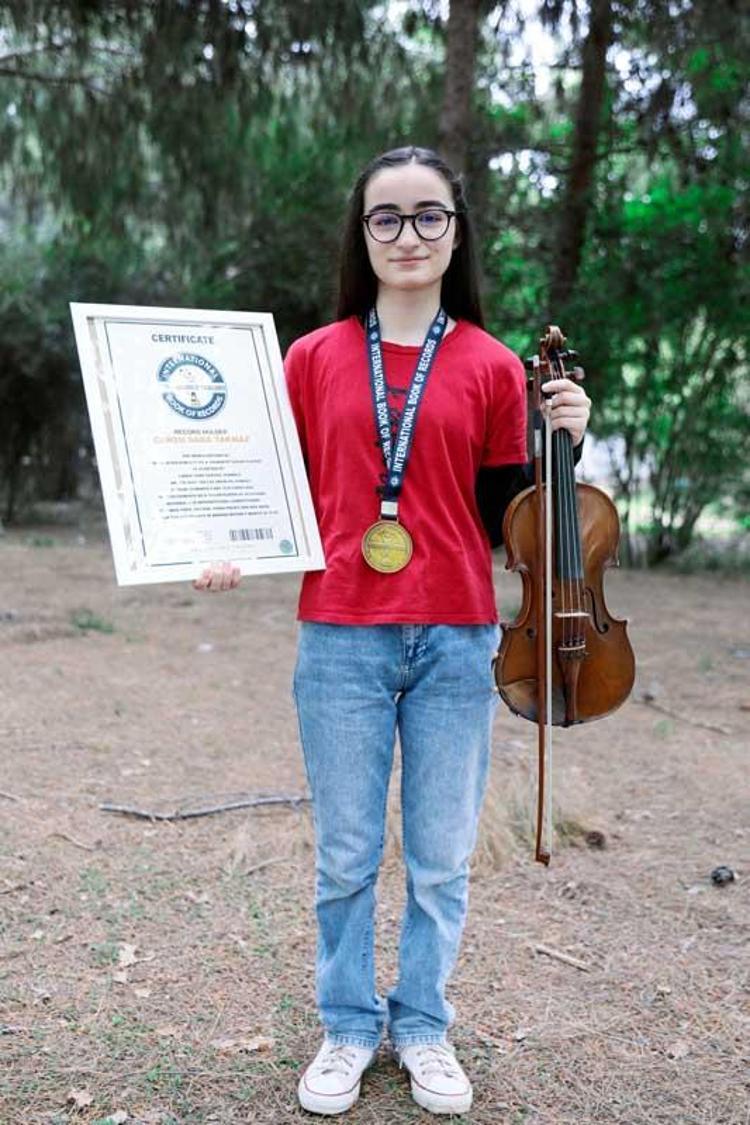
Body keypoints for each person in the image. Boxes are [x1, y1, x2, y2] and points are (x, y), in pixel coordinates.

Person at [195, 145, 590, 1116]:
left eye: (428, 216)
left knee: (441, 857)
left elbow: (507, 520)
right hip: (340, 637)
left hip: (456, 638)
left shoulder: (492, 364)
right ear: (361, 234)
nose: (408, 235)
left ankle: (421, 1025)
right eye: (386, 217)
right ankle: (346, 1023)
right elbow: (267, 487)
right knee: (344, 855)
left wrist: (564, 445)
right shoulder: (311, 357)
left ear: (456, 232)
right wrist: (222, 543)